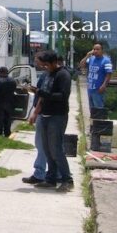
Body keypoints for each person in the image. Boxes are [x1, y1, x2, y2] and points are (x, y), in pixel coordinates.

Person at [35, 50, 74, 191]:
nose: (44, 67)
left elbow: (62, 96)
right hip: (45, 115)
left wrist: (43, 93)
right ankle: (50, 179)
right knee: (47, 149)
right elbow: (43, 93)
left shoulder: (63, 75)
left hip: (57, 116)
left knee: (56, 149)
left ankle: (67, 180)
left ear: (54, 63)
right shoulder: (48, 74)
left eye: (46, 65)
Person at [22, 54, 48, 185]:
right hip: (44, 114)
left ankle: (39, 173)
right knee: (46, 146)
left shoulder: (46, 76)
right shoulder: (48, 75)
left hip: (43, 114)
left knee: (41, 145)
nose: (36, 64)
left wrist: (35, 113)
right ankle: (53, 173)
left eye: (37, 61)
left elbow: (42, 96)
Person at [79, 43, 113, 115]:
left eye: (98, 49)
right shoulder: (91, 59)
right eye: (94, 49)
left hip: (98, 90)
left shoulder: (106, 61)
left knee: (99, 111)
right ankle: (93, 125)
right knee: (92, 111)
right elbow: (81, 64)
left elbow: (109, 74)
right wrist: (87, 55)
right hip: (90, 89)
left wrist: (104, 85)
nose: (95, 51)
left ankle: (99, 125)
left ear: (102, 51)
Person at [0, 66, 16, 138]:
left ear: (1, 73)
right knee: (8, 119)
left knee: (0, 119)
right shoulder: (13, 81)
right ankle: (7, 133)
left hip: (1, 102)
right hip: (10, 102)